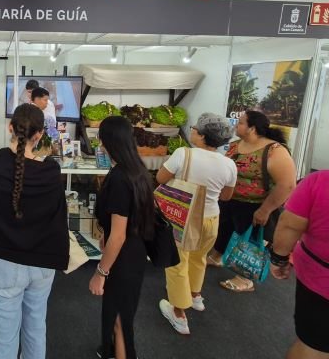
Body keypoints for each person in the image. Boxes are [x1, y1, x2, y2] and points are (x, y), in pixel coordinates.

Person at [0, 104, 69, 359]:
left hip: (4, 267)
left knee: (4, 338)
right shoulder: (52, 173)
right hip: (42, 265)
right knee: (35, 327)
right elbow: (59, 218)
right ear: (39, 135)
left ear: (10, 127)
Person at [156, 113, 237, 335]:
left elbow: (161, 178)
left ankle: (179, 313)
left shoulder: (184, 154)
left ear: (201, 135)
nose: (191, 130)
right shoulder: (229, 163)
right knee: (199, 257)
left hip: (183, 217)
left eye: (194, 128)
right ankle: (195, 295)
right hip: (212, 217)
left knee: (177, 263)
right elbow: (227, 196)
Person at [208, 110, 297, 293]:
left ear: (251, 128)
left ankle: (245, 278)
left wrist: (266, 210)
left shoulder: (274, 151)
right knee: (224, 230)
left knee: (249, 241)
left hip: (256, 205)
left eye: (240, 123)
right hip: (231, 200)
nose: (235, 125)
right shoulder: (235, 145)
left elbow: (287, 185)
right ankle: (217, 256)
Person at [90, 116, 155, 359]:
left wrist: (100, 272)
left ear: (108, 141)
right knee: (121, 315)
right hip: (135, 253)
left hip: (122, 259)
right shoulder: (138, 170)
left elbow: (117, 236)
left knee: (119, 320)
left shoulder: (119, 178)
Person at [270, 171, 329, 359]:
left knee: (314, 345)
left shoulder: (320, 181)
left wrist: (279, 259)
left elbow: (290, 225)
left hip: (320, 283)